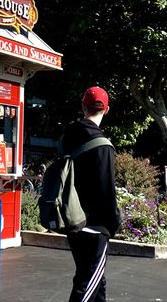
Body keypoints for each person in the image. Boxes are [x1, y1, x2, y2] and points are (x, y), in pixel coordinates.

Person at [60, 86, 120, 302]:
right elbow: (107, 190)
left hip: (71, 218)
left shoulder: (67, 137)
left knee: (96, 279)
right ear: (107, 109)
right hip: (95, 225)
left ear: (83, 106)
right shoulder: (103, 146)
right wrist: (112, 224)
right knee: (86, 284)